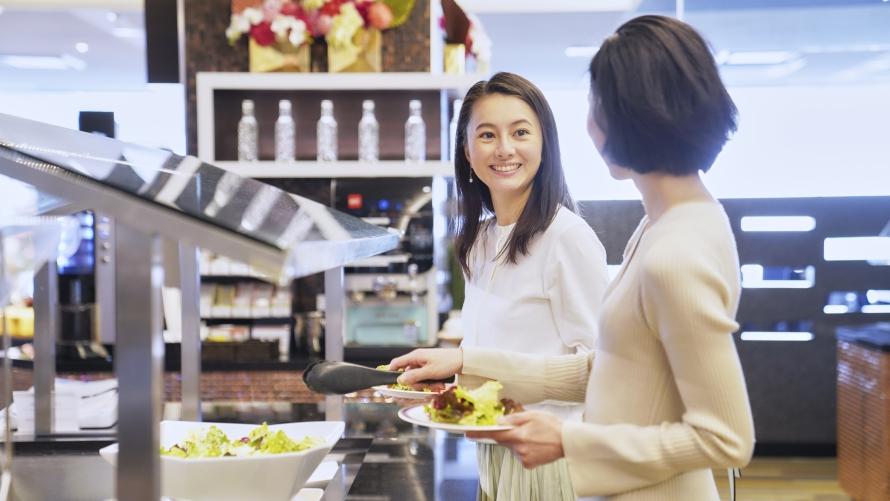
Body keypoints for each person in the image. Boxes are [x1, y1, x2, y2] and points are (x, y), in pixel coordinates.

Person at [390, 15, 755, 500]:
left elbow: (726, 438)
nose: (590, 123)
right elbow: (606, 366)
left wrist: (567, 438)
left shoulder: (675, 250)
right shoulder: (665, 224)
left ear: (634, 116)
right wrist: (464, 361)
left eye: (596, 104)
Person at [449, 71, 609, 501]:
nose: (504, 149)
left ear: (545, 143)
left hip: (547, 459)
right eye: (486, 135)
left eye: (520, 132)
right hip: (494, 452)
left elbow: (602, 371)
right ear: (466, 150)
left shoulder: (567, 238)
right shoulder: (480, 240)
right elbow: (494, 344)